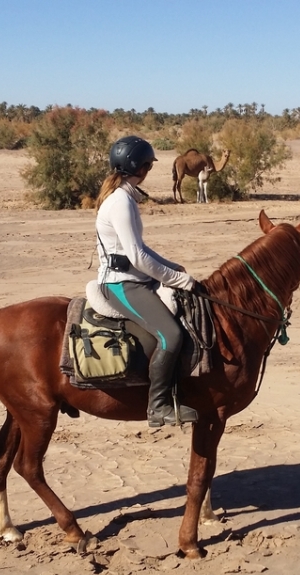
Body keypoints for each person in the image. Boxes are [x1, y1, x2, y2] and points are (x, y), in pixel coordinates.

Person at [94, 135, 199, 427]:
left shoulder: (125, 197)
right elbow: (138, 257)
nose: (148, 172)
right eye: (148, 167)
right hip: (121, 284)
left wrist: (171, 267)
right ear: (139, 168)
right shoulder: (120, 202)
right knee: (172, 335)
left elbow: (141, 249)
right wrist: (178, 279)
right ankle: (158, 406)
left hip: (134, 278)